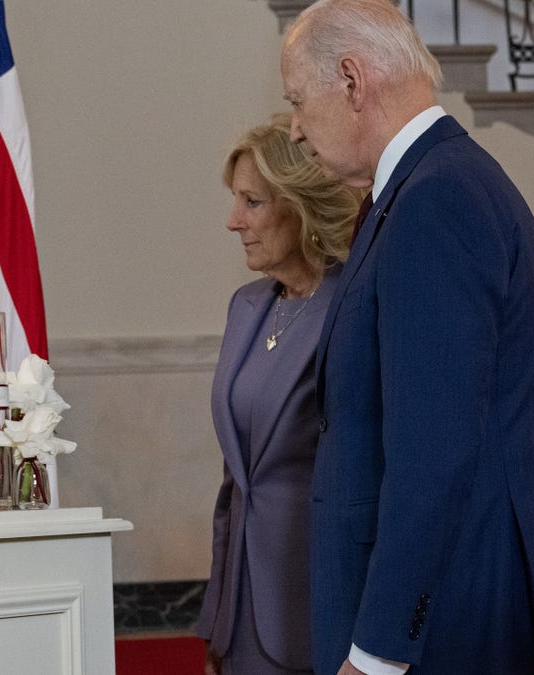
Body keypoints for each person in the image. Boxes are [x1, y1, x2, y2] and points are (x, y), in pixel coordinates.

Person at [279, 1, 534, 674]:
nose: (295, 130)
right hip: (449, 599)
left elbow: (434, 449)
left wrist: (379, 651)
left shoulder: (436, 198)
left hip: (447, 617)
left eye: (298, 102)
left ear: (351, 79)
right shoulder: (425, 185)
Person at [196, 114, 362, 675]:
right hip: (242, 608)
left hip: (318, 598)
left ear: (301, 206)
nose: (232, 221)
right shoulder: (248, 306)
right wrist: (217, 623)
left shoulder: (353, 309)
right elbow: (233, 484)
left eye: (252, 202)